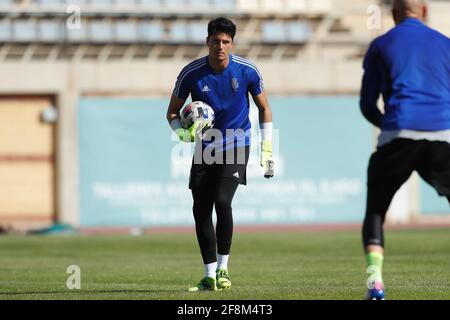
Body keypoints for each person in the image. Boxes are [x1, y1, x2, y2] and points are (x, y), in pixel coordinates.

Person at [166, 17, 274, 291]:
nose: (220, 46)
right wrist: (183, 133)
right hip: (205, 145)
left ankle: (224, 270)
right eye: (216, 41)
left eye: (226, 41)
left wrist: (267, 148)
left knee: (223, 202)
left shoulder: (247, 71)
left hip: (237, 142)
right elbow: (172, 113)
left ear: (232, 44)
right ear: (208, 42)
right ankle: (209, 275)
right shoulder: (191, 73)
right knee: (200, 209)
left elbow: (264, 108)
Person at [359, 0, 450, 300]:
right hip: (442, 134)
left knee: (375, 210)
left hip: (398, 131)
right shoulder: (445, 44)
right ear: (423, 11)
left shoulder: (381, 45)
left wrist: (388, 124)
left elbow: (367, 104)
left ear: (394, 14)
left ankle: (375, 284)